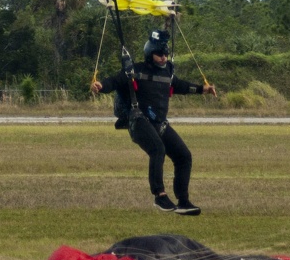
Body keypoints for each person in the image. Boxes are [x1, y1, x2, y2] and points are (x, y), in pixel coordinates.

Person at [92, 29, 217, 215]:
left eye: (166, 54)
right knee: (158, 149)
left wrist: (202, 89)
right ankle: (159, 195)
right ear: (150, 54)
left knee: (184, 156)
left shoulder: (168, 73)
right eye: (159, 54)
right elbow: (114, 81)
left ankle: (183, 202)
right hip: (138, 120)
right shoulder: (135, 70)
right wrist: (100, 86)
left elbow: (180, 85)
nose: (163, 58)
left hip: (159, 123)